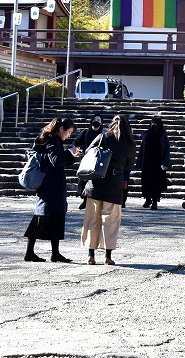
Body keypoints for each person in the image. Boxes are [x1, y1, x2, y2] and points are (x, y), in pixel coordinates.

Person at [80, 114, 135, 266]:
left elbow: (88, 152)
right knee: (111, 220)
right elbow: (129, 166)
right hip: (114, 184)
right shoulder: (129, 143)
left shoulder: (103, 137)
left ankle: (90, 255)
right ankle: (107, 256)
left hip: (96, 182)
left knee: (92, 219)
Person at [23, 116, 79, 263]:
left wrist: (70, 154)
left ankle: (52, 253)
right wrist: (70, 152)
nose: (69, 135)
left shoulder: (51, 140)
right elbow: (56, 161)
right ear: (61, 129)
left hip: (50, 186)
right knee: (44, 218)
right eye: (69, 132)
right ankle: (33, 252)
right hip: (51, 187)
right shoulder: (53, 142)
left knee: (51, 217)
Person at [138, 115, 171, 209]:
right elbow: (141, 148)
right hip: (147, 162)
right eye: (152, 123)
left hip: (158, 163)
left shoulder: (163, 134)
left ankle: (155, 201)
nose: (153, 125)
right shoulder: (146, 134)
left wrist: (165, 162)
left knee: (156, 183)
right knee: (146, 182)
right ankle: (147, 199)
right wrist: (139, 161)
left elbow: (167, 149)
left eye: (155, 123)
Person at [73, 115, 104, 207]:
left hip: (98, 159)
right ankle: (84, 199)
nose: (96, 121)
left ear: (101, 122)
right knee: (84, 178)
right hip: (86, 158)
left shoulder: (103, 134)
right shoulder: (85, 132)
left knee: (95, 180)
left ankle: (92, 199)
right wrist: (79, 149)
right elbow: (76, 142)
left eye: (98, 120)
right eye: (95, 119)